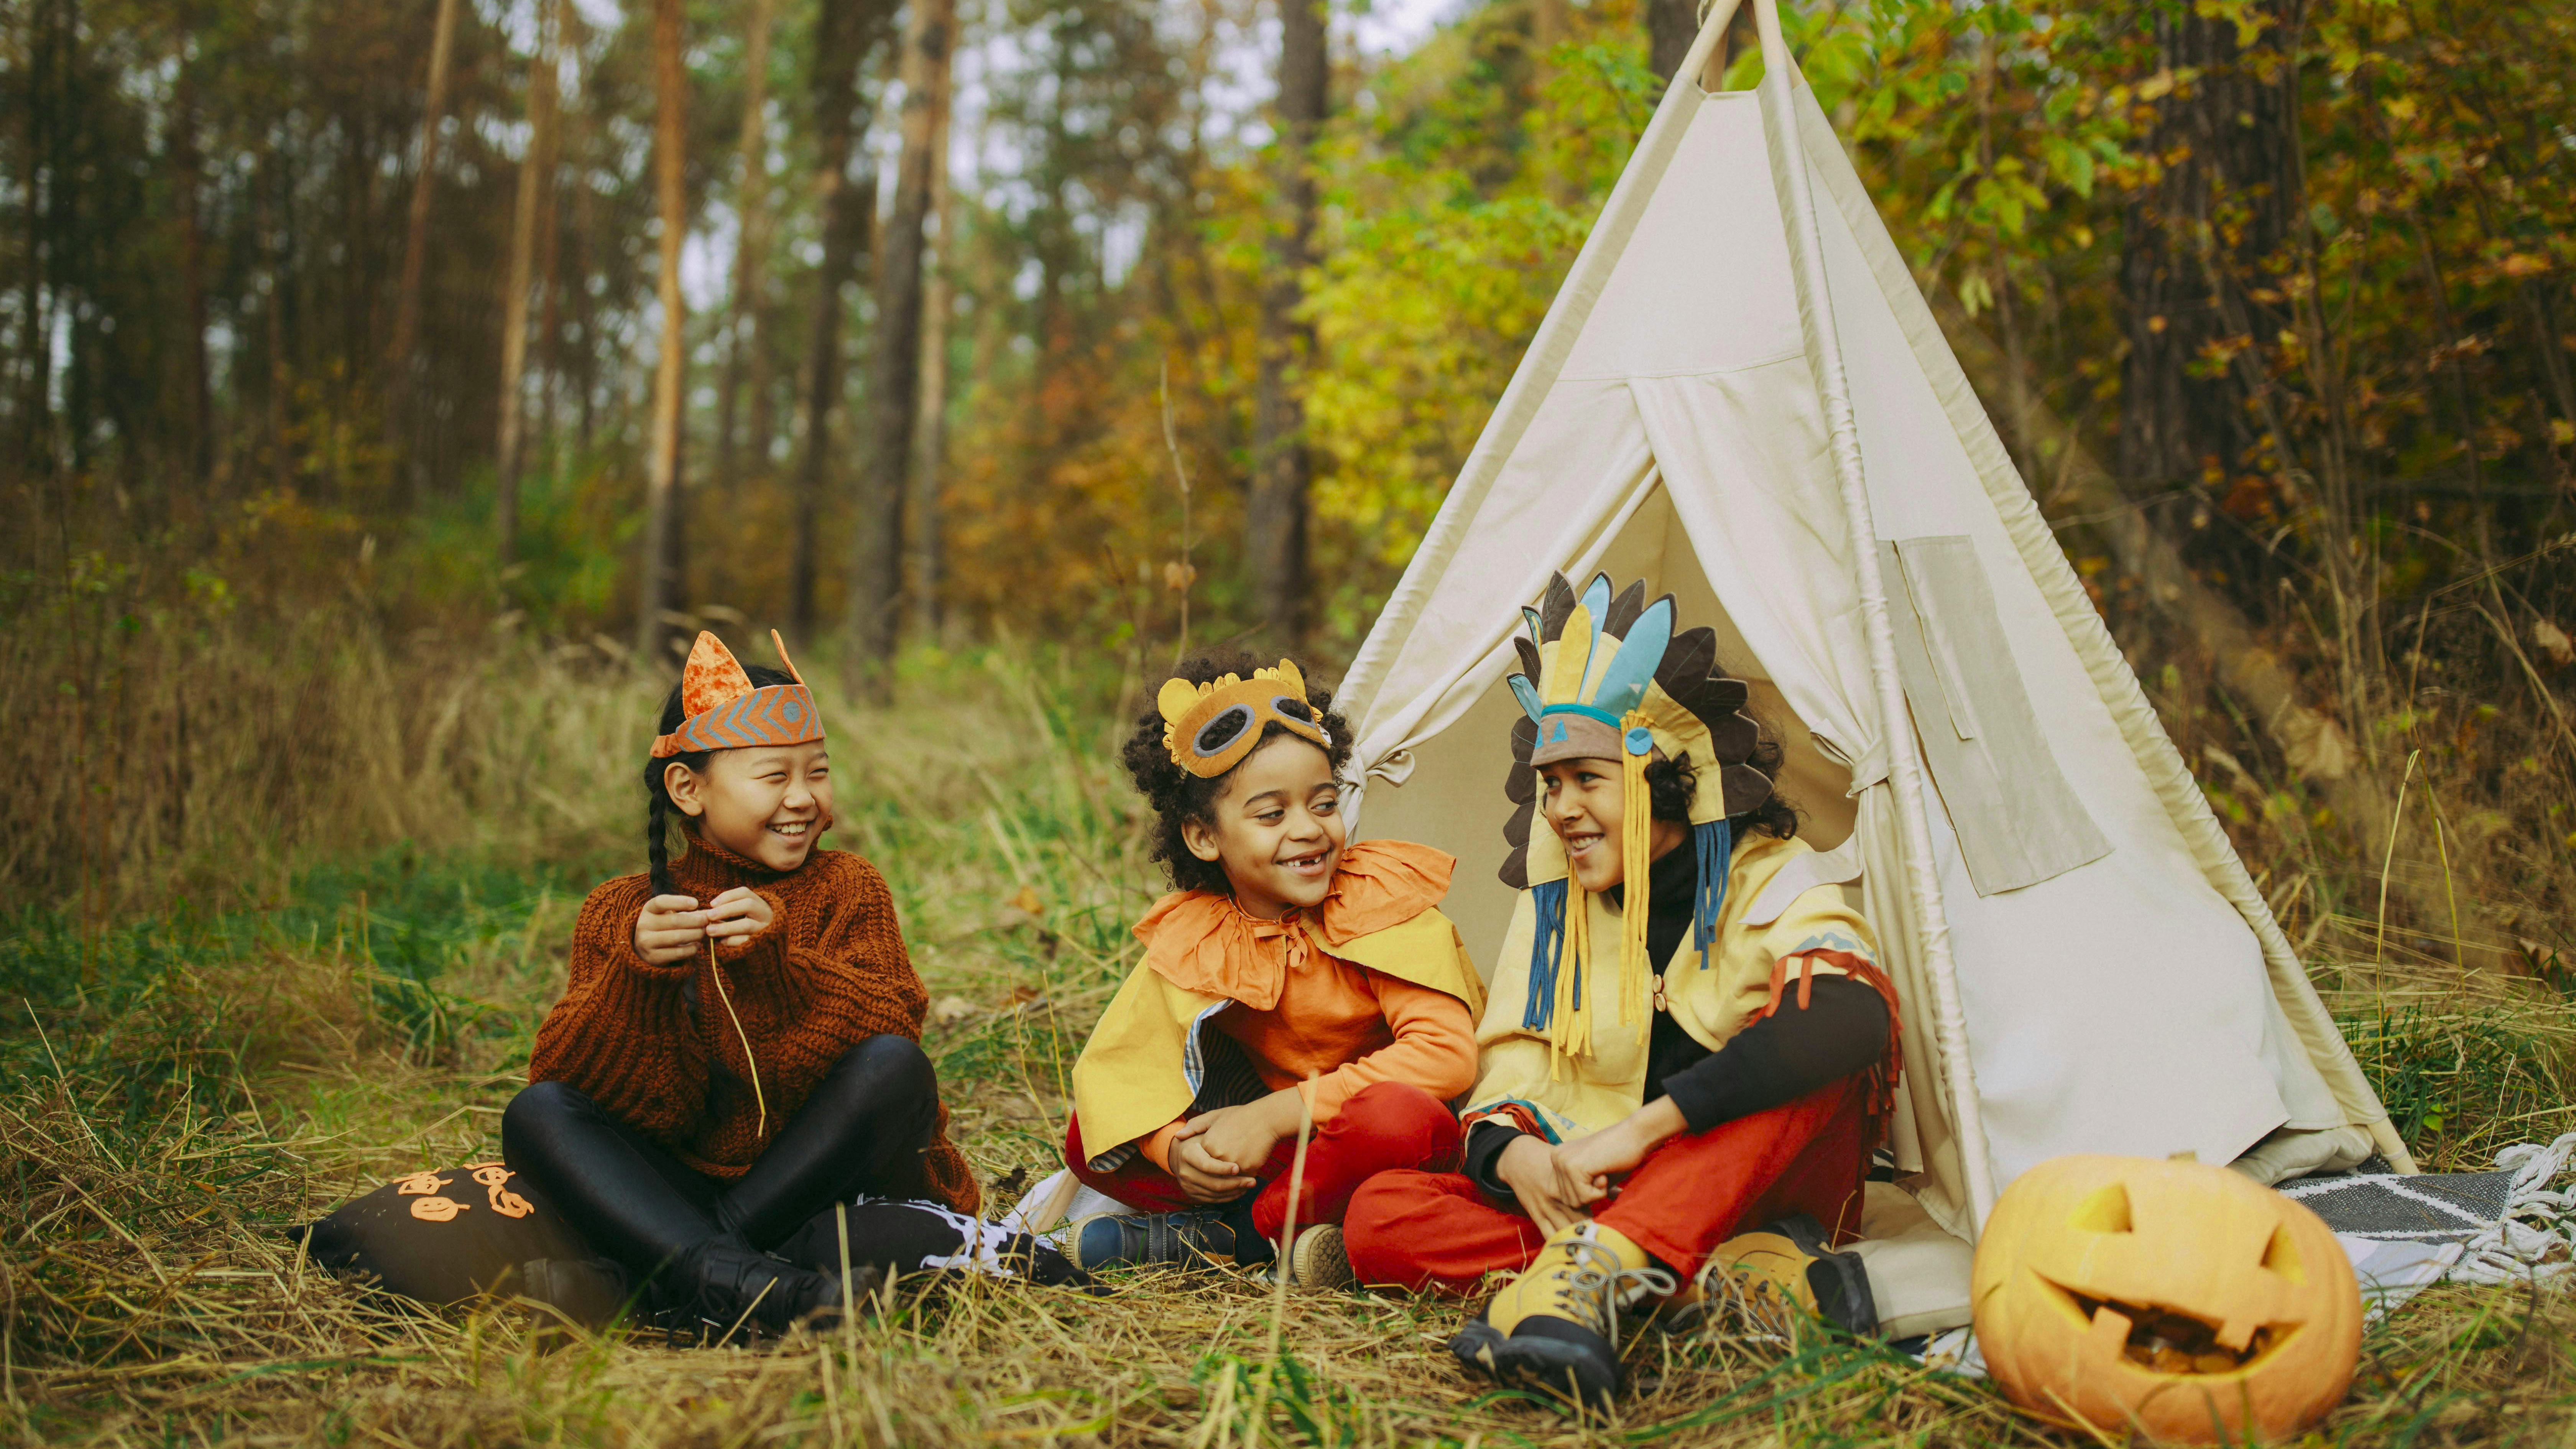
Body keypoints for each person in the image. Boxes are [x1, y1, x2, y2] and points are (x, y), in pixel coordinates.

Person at [1340, 573, 1903, 1406]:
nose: (1562, 809)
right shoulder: (1555, 910)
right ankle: (1720, 1286)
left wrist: (1650, 1128)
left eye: (1587, 780)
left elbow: (1856, 1017)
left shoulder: (1773, 880)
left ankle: (1593, 1279)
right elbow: (1513, 1073)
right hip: (1620, 1196)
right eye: (1551, 784)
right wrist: (1515, 1153)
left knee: (1804, 1050)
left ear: (1666, 778)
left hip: (1751, 1180)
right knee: (1379, 1214)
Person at [501, 630, 1022, 1338]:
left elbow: (893, 1038)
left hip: (820, 1192)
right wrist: (639, 978)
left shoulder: (847, 888)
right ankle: (757, 1283)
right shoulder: (622, 912)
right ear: (689, 789)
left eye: (818, 772)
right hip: (680, 1184)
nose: (803, 799)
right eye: (774, 777)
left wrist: (782, 968)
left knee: (895, 1066)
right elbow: (587, 1088)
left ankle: (676, 1278)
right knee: (539, 1113)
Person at [1059, 652, 1484, 1288]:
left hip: (1366, 1138)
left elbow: (1446, 1058)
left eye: (1323, 803)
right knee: (1091, 1130)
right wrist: (1174, 1149)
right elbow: (1126, 1071)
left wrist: (1277, 1115)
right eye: (1271, 814)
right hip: (1282, 1154)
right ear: (1205, 838)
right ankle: (1284, 1223)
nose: (1309, 831)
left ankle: (1237, 1237)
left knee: (1404, 1120)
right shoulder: (1203, 933)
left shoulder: (1377, 900)